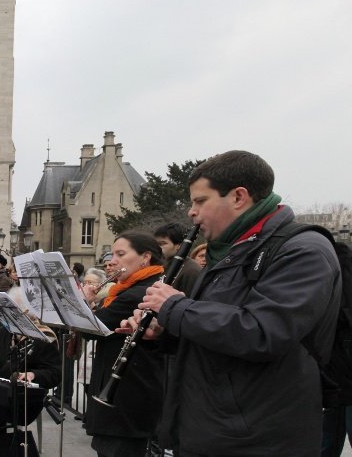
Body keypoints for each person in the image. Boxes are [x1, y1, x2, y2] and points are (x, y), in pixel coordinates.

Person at [135, 151, 341, 457]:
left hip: (258, 439)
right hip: (212, 429)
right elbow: (215, 337)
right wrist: (163, 330)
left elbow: (263, 332)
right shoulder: (231, 251)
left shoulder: (303, 250)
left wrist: (176, 308)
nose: (191, 213)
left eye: (200, 201)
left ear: (238, 197)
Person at [81, 231, 167, 457]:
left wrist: (85, 302)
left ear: (145, 257)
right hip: (127, 396)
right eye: (112, 253)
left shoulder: (139, 293)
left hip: (126, 399)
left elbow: (92, 330)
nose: (112, 260)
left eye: (120, 254)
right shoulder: (130, 289)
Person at [0, 301, 61, 457]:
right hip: (3, 389)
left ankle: (0, 445)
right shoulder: (7, 331)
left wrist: (33, 374)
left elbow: (55, 374)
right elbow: (0, 357)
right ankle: (2, 443)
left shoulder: (44, 337)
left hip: (27, 398)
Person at [152, 222, 203, 298]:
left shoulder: (192, 271)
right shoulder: (158, 265)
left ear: (180, 245)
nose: (157, 248)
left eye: (162, 243)